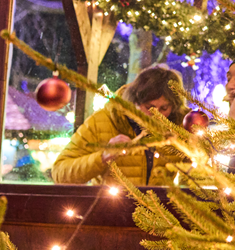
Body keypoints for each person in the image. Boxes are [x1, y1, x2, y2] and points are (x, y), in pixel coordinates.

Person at [51, 65, 188, 186]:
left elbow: (197, 178)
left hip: (160, 212)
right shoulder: (102, 121)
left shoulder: (180, 127)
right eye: (149, 107)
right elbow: (60, 173)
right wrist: (103, 156)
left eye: (164, 108)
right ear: (134, 101)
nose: (157, 115)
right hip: (109, 212)